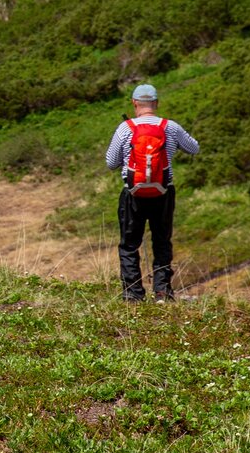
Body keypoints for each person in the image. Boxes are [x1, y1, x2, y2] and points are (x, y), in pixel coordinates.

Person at [105, 84, 200, 303]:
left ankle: (133, 293)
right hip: (164, 192)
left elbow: (111, 162)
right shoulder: (171, 127)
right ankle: (163, 292)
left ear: (134, 103)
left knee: (129, 244)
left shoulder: (125, 128)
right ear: (156, 104)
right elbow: (194, 148)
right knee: (162, 241)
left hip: (133, 193)